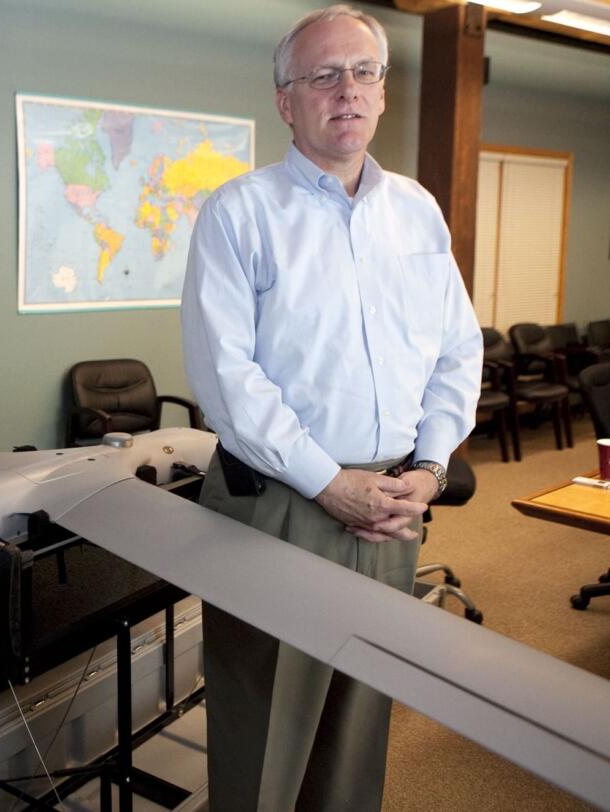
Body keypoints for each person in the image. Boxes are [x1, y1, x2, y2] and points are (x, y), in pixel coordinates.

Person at [179, 5, 483, 810]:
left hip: (390, 507)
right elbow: (227, 379)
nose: (345, 90)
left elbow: (457, 348)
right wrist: (327, 482)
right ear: (286, 101)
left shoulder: (415, 211)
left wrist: (430, 464)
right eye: (322, 76)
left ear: (382, 93)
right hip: (280, 508)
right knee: (266, 728)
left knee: (358, 719)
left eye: (363, 72)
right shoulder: (239, 213)